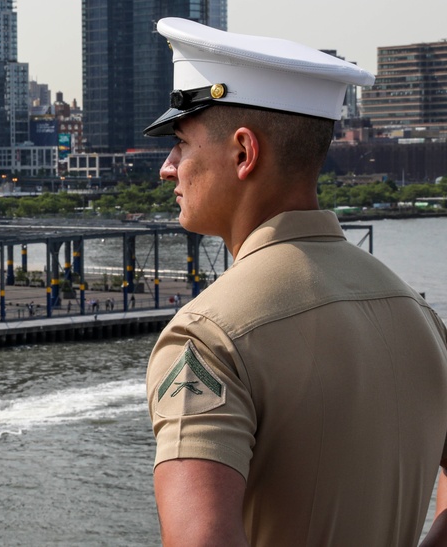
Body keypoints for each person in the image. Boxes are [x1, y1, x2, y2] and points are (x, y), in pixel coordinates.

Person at [143, 18, 447, 546]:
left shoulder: (208, 336)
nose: (168, 168)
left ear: (243, 153)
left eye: (181, 143)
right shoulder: (418, 316)